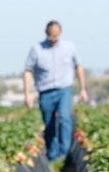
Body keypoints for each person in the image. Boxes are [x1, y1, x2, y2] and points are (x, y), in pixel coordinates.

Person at [23, 20, 88, 162]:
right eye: (51, 37)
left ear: (60, 34)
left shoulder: (69, 47)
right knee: (49, 124)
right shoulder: (37, 50)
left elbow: (78, 67)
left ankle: (64, 154)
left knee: (65, 118)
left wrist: (83, 89)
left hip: (64, 89)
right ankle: (52, 156)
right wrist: (27, 94)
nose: (53, 40)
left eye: (56, 37)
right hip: (45, 91)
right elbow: (28, 71)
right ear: (46, 34)